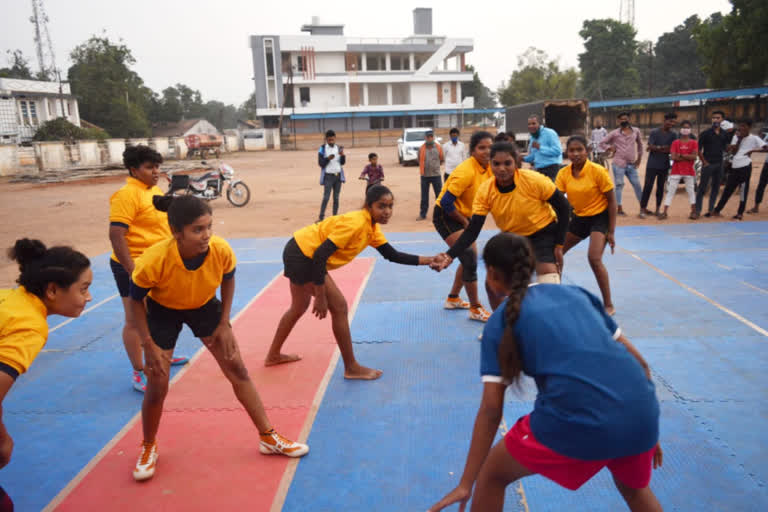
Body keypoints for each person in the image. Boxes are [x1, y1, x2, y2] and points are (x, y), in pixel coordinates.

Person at [428, 233, 662, 512]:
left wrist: (466, 483)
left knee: (491, 474)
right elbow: (641, 364)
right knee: (634, 490)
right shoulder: (576, 293)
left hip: (584, 420)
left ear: (491, 274)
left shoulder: (500, 323)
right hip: (642, 414)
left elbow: (491, 411)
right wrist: (645, 430)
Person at [129, 195, 308, 482]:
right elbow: (135, 300)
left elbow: (228, 278)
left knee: (237, 368)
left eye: (209, 226)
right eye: (198, 229)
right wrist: (148, 344)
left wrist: (224, 323)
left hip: (204, 306)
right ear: (177, 233)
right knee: (158, 382)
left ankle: (268, 437)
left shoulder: (220, 249)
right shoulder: (154, 259)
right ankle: (148, 445)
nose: (207, 235)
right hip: (163, 311)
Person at [265, 185, 437, 379]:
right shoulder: (356, 223)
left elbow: (392, 255)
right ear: (368, 206)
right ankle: (351, 367)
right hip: (304, 255)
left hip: (298, 248)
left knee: (298, 306)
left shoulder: (372, 227)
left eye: (390, 206)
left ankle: (273, 355)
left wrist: (430, 259)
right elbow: (320, 256)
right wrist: (320, 297)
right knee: (339, 306)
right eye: (381, 206)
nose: (387, 212)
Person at [434, 142, 570, 310]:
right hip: (512, 239)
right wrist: (449, 256)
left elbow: (564, 208)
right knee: (492, 286)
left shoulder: (534, 180)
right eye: (496, 164)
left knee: (548, 281)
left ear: (516, 162)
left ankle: (550, 321)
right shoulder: (485, 191)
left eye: (507, 163)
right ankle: (502, 325)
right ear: (491, 165)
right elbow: (473, 229)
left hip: (542, 234)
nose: (502, 168)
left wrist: (558, 245)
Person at [0, 239, 93, 486]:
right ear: (52, 290)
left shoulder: (8, 298)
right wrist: (2, 440)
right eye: (83, 289)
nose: (89, 297)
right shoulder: (29, 325)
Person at [109, 145, 188, 393]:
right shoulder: (126, 195)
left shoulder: (152, 190)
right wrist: (132, 271)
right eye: (149, 167)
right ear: (133, 169)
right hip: (131, 265)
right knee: (134, 319)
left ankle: (161, 354)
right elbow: (116, 235)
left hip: (157, 263)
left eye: (157, 166)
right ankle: (138, 370)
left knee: (160, 313)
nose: (156, 171)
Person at [432, 131, 495, 322]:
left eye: (489, 147)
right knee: (468, 258)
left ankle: (452, 298)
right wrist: (465, 221)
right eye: (481, 148)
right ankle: (475, 308)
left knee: (470, 258)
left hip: (465, 215)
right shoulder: (466, 171)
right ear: (472, 151)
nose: (486, 151)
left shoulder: (491, 167)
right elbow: (446, 202)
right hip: (447, 215)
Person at [556, 135, 618, 315]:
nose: (575, 154)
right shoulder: (563, 173)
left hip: (601, 218)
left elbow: (612, 202)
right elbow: (558, 202)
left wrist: (611, 232)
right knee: (556, 253)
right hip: (579, 218)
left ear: (587, 151)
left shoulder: (598, 171)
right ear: (567, 153)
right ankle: (554, 297)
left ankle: (608, 304)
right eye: (571, 150)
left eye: (579, 150)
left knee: (594, 258)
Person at [713, 119, 768, 220]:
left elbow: (766, 148)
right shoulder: (736, 137)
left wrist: (753, 150)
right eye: (740, 126)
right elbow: (734, 152)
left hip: (745, 167)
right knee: (728, 190)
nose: (741, 128)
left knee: (743, 190)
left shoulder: (754, 138)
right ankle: (717, 210)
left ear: (749, 127)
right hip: (735, 166)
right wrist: (738, 141)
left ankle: (740, 213)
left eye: (744, 126)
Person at [601, 112, 644, 216]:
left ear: (629, 119)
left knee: (637, 185)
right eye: (621, 119)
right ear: (618, 121)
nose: (624, 120)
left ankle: (643, 207)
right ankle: (619, 209)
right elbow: (602, 143)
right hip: (618, 163)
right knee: (619, 185)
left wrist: (639, 159)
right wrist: (609, 148)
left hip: (631, 164)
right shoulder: (614, 133)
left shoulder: (636, 131)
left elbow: (640, 146)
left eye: (626, 118)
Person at [659, 121, 699, 221]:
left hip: (689, 171)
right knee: (670, 192)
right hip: (676, 171)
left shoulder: (694, 143)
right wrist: (687, 157)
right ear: (680, 130)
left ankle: (693, 211)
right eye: (684, 127)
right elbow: (673, 157)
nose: (686, 129)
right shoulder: (675, 142)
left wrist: (680, 155)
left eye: (688, 127)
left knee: (691, 192)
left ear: (690, 130)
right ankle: (664, 212)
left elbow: (694, 157)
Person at [640, 113, 678, 218]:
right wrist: (663, 148)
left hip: (664, 165)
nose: (672, 124)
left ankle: (657, 209)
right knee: (648, 187)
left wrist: (657, 147)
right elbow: (650, 146)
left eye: (674, 122)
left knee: (660, 188)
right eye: (670, 121)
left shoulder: (674, 134)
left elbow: (671, 149)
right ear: (664, 120)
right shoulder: (654, 132)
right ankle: (642, 209)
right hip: (652, 165)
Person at [696, 111, 730, 217]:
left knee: (716, 187)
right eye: (713, 118)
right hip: (708, 164)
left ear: (722, 120)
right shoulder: (705, 133)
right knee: (702, 187)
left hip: (719, 164)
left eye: (718, 118)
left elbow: (726, 148)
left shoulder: (725, 133)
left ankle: (711, 210)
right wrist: (704, 162)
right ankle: (697, 211)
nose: (715, 120)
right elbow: (698, 149)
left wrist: (731, 148)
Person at [522, 115, 562, 181]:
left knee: (551, 190)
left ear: (540, 124)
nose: (531, 126)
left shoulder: (549, 133)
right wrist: (522, 158)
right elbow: (533, 156)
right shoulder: (533, 137)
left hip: (551, 169)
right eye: (529, 124)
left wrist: (540, 147)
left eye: (533, 123)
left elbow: (557, 151)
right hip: (539, 170)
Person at [318, 130, 346, 221]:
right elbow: (321, 163)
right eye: (329, 140)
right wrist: (328, 158)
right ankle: (321, 217)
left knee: (336, 198)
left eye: (332, 140)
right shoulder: (322, 148)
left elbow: (342, 163)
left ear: (335, 138)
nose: (331, 141)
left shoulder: (338, 148)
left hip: (338, 176)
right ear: (326, 139)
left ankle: (335, 218)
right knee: (326, 197)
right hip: (328, 177)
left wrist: (342, 155)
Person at [418, 131, 444, 220]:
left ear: (433, 137)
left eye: (431, 137)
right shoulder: (421, 148)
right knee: (424, 196)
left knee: (439, 195)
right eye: (427, 137)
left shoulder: (438, 147)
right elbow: (419, 159)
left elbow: (441, 159)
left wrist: (435, 166)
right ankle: (422, 214)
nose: (429, 138)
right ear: (425, 138)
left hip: (436, 175)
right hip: (424, 175)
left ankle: (440, 214)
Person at [746, 132, 768, 214]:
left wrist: (753, 150)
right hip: (767, 164)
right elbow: (763, 147)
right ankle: (756, 207)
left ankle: (756, 207)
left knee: (761, 185)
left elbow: (765, 149)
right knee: (761, 185)